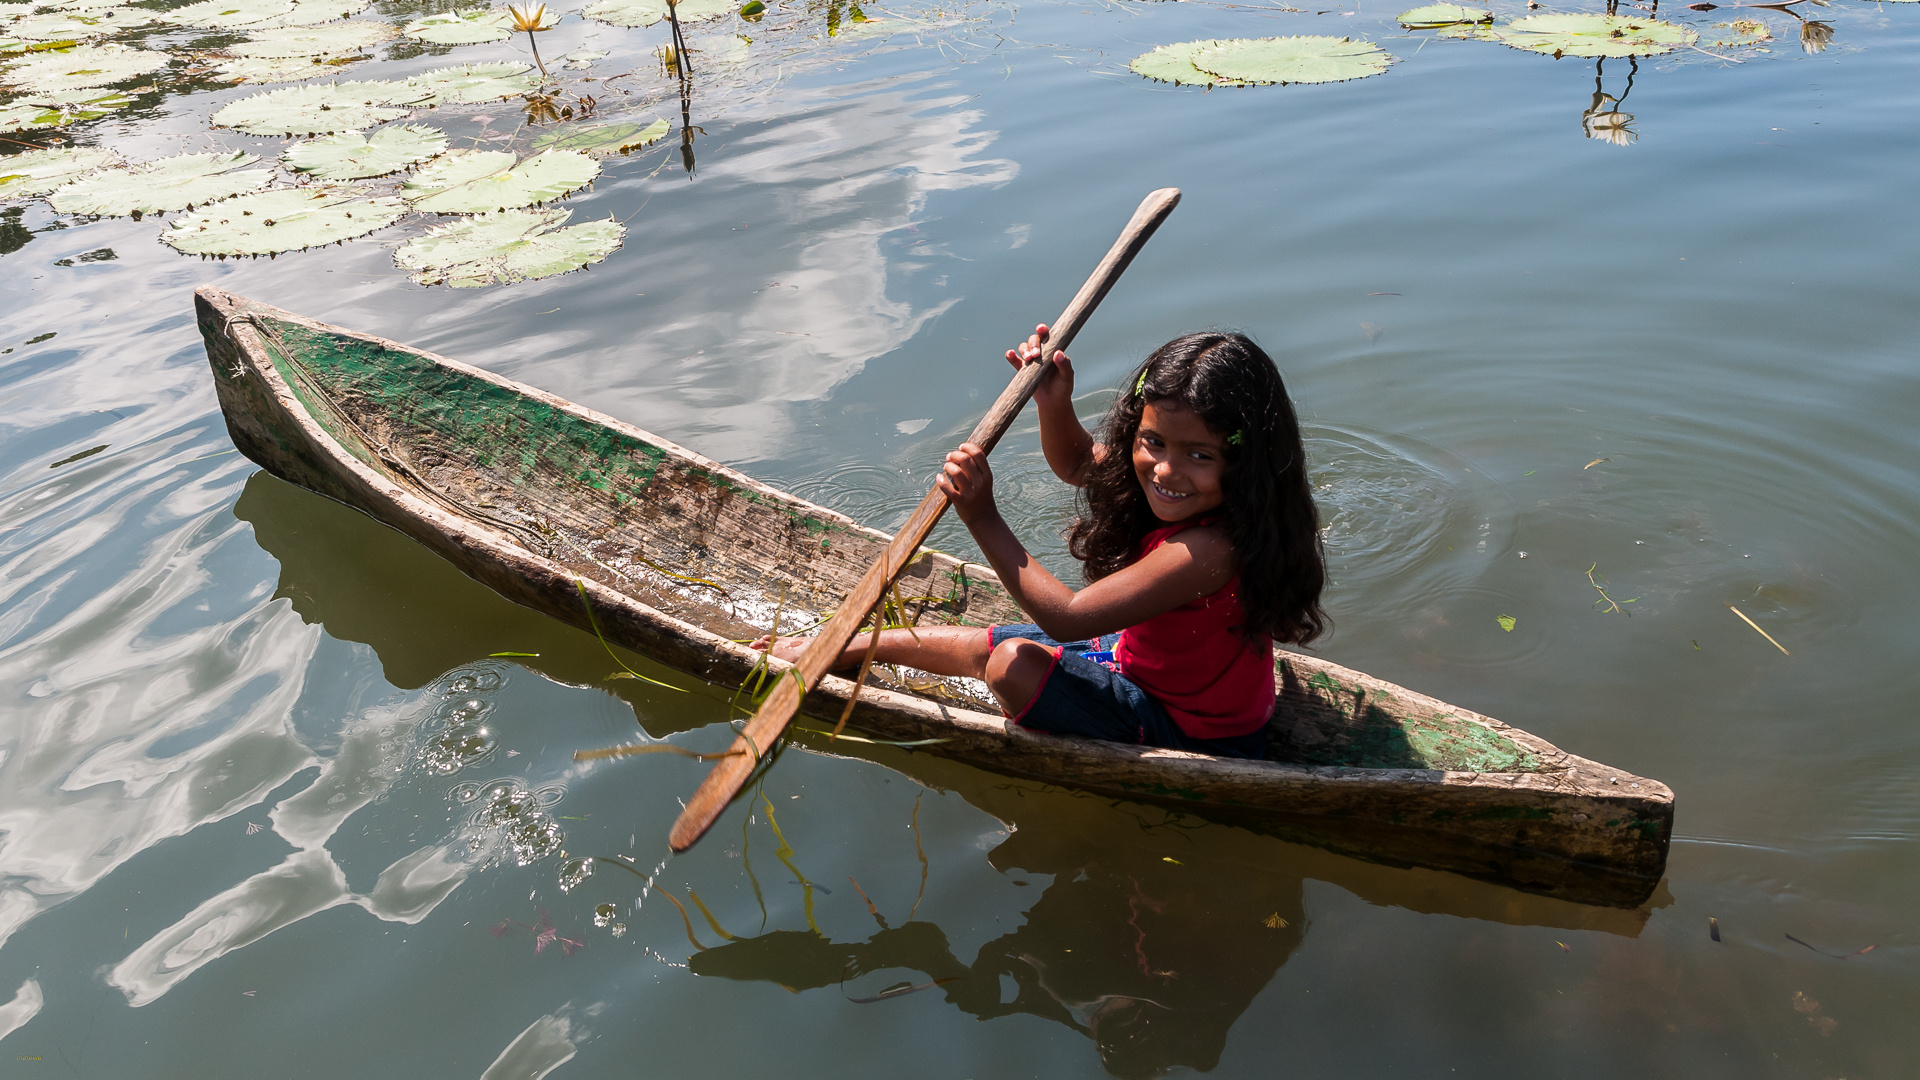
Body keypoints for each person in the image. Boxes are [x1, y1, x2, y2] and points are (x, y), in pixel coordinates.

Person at [752, 326, 1327, 759]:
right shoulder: (1178, 486)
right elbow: (1080, 463)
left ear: (1245, 464)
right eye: (1152, 441)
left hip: (1194, 730)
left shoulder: (1212, 550)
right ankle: (834, 649)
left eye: (1199, 456)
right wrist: (1052, 400)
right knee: (987, 641)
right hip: (1138, 665)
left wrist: (981, 516)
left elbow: (1071, 619)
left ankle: (1052, 728)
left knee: (1010, 664)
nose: (1165, 470)